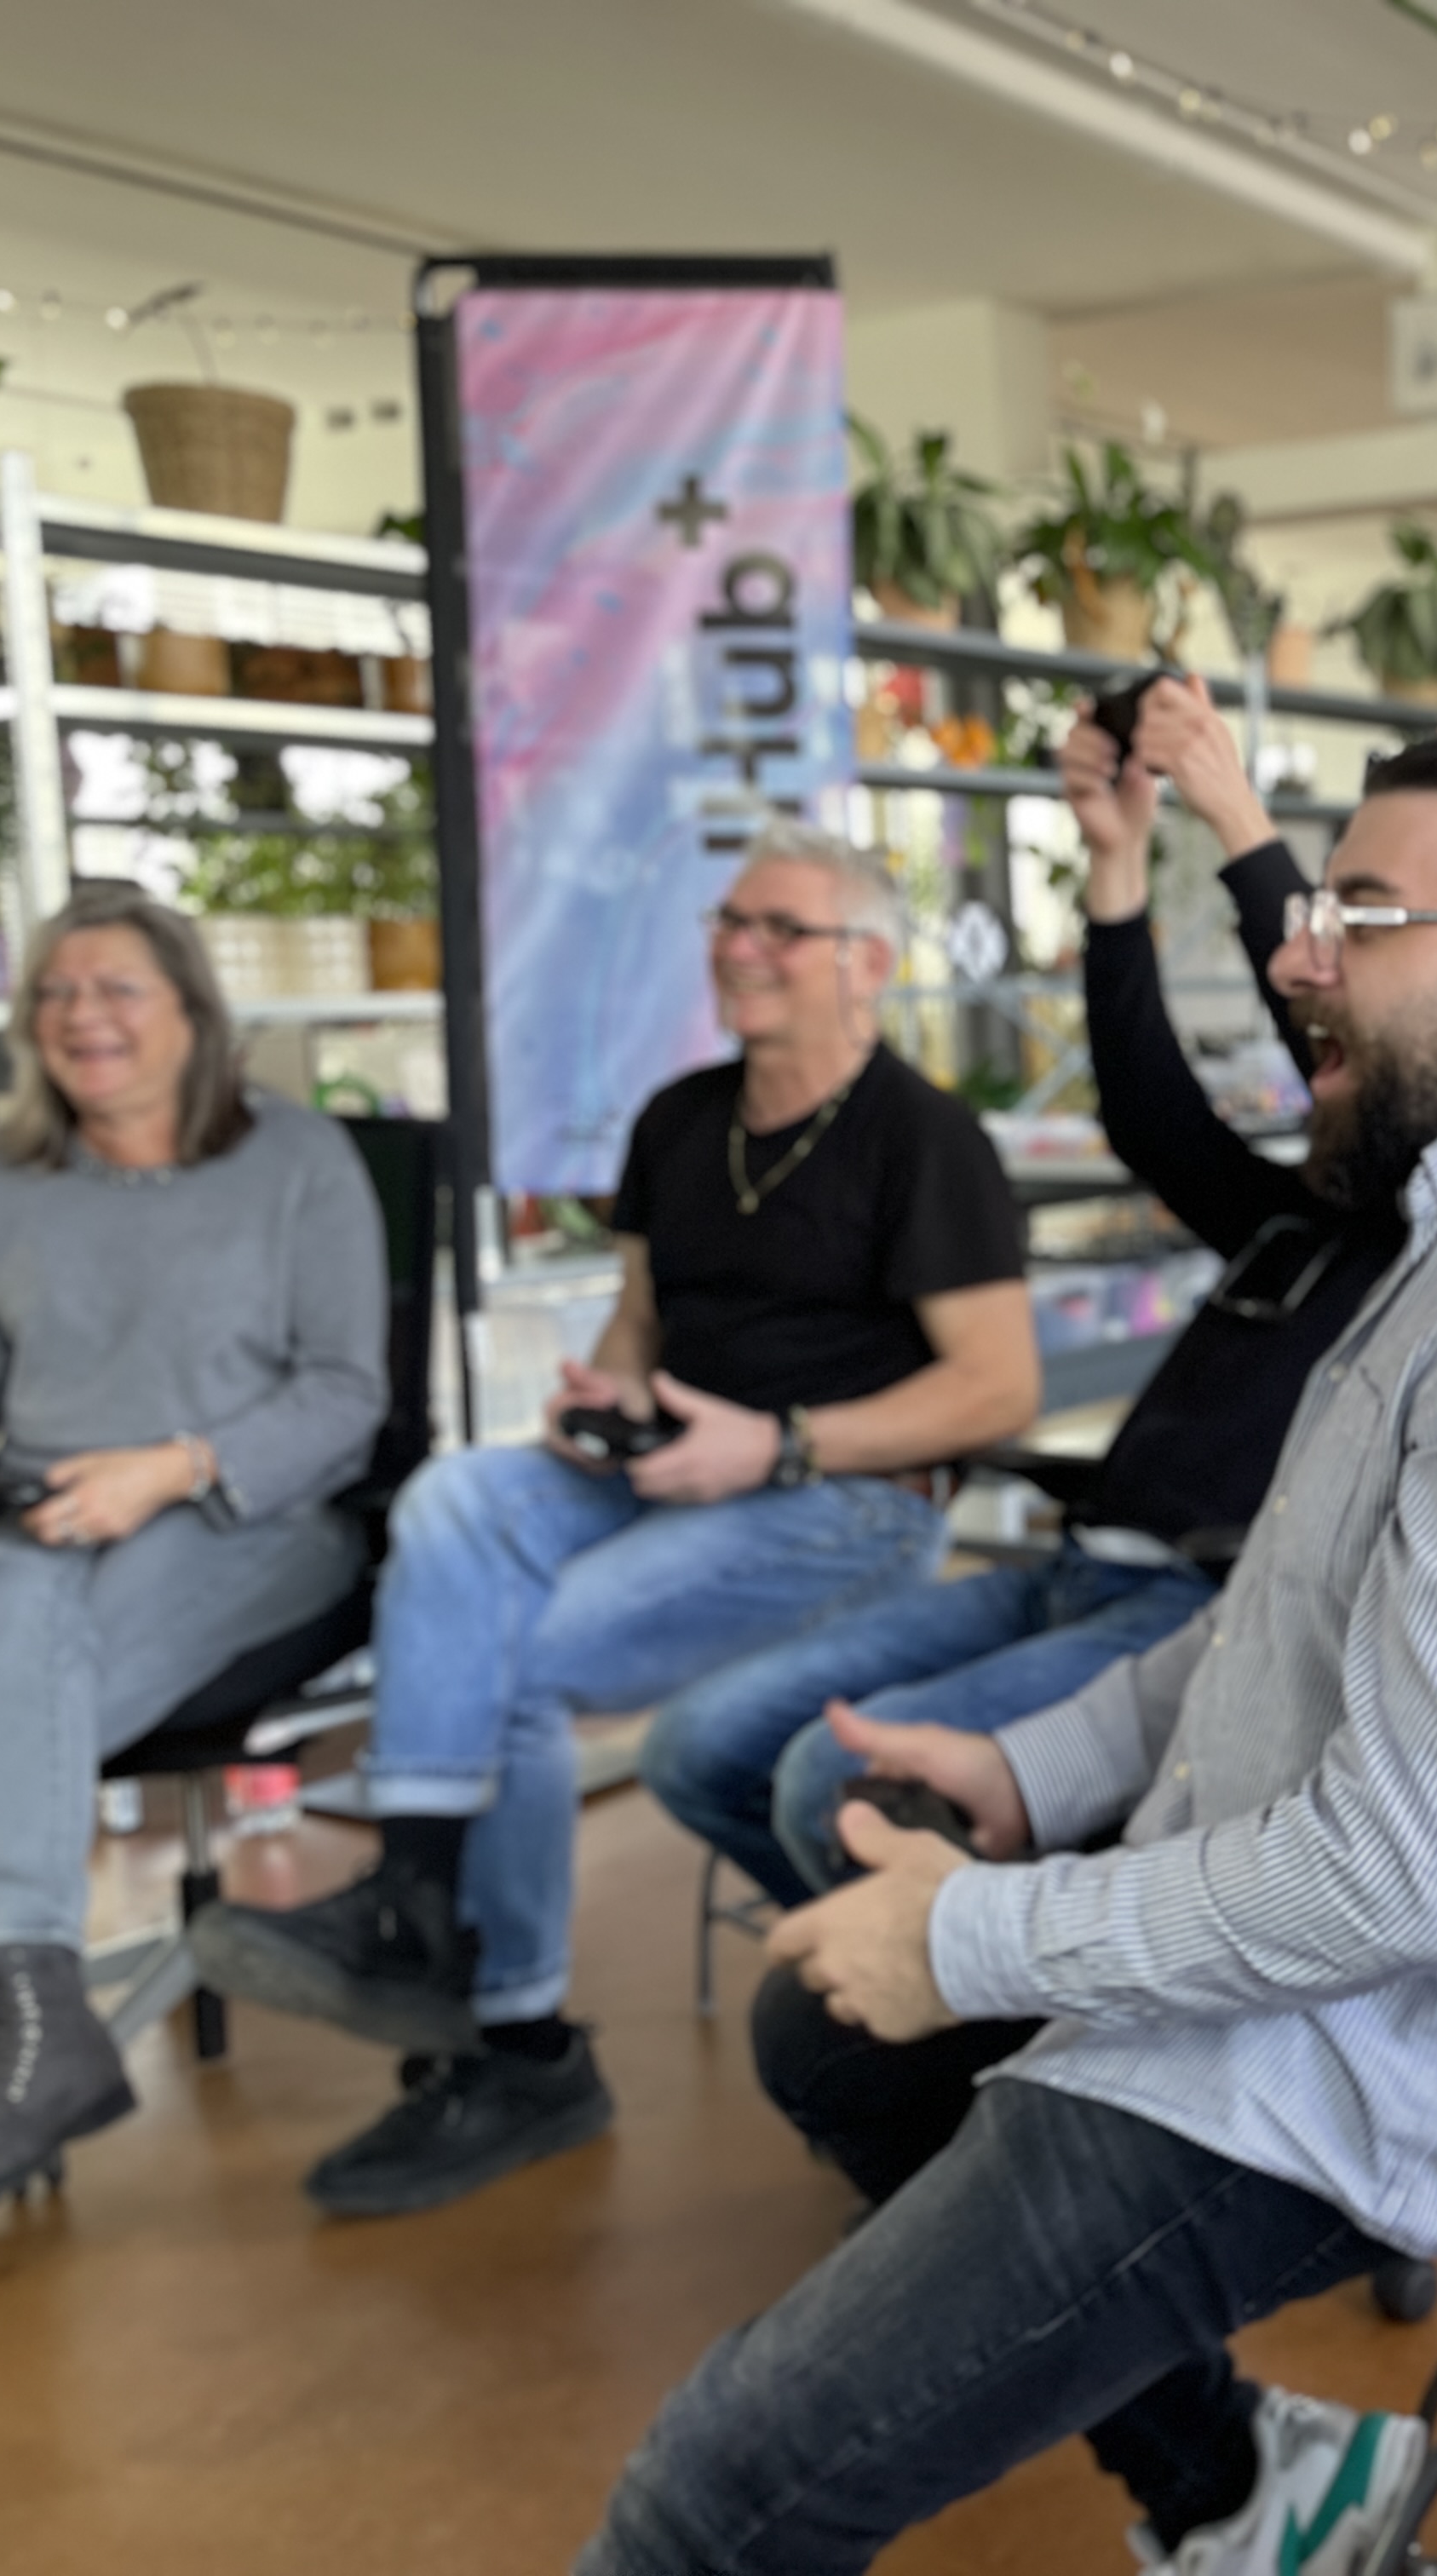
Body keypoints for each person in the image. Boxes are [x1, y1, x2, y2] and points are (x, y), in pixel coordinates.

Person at [577, 729, 1437, 2576]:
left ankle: (1218, 2467)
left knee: (715, 2491)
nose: (1299, 954)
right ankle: (1243, 2479)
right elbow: (1294, 1603)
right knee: (825, 2037)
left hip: (1417, 2041)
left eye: (1358, 918)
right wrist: (1034, 1770)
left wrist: (968, 1936)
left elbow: (1396, 1880)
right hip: (1334, 1948)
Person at [190, 821, 1039, 2219]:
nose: (739, 947)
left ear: (867, 964)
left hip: (844, 1503)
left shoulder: (924, 1139)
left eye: (779, 928)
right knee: (455, 1495)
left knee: (517, 1658)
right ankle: (415, 1900)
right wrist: (606, 1397)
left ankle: (515, 2037)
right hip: (664, 1464)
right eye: (729, 921)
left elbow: (998, 1386)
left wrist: (781, 1441)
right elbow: (643, 1321)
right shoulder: (682, 1120)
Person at [639, 678, 1400, 1907]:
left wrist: (1230, 809)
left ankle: (941, 1998)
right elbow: (1146, 1112)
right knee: (699, 1749)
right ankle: (911, 1989)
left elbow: (1337, 1016)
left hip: (1196, 1610)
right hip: (1074, 1570)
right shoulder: (1289, 1222)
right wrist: (1115, 864)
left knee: (828, 1784)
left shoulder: (1432, 1235)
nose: (1319, 1042)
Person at [0, 883, 387, 2292]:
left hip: (248, 1515)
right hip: (43, 1516)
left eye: (118, 987)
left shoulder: (298, 1160)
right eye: (57, 993)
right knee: (3, 1609)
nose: (83, 1015)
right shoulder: (9, 1173)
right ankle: (31, 2052)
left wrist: (174, 1466)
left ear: (191, 1010)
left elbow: (346, 1395)